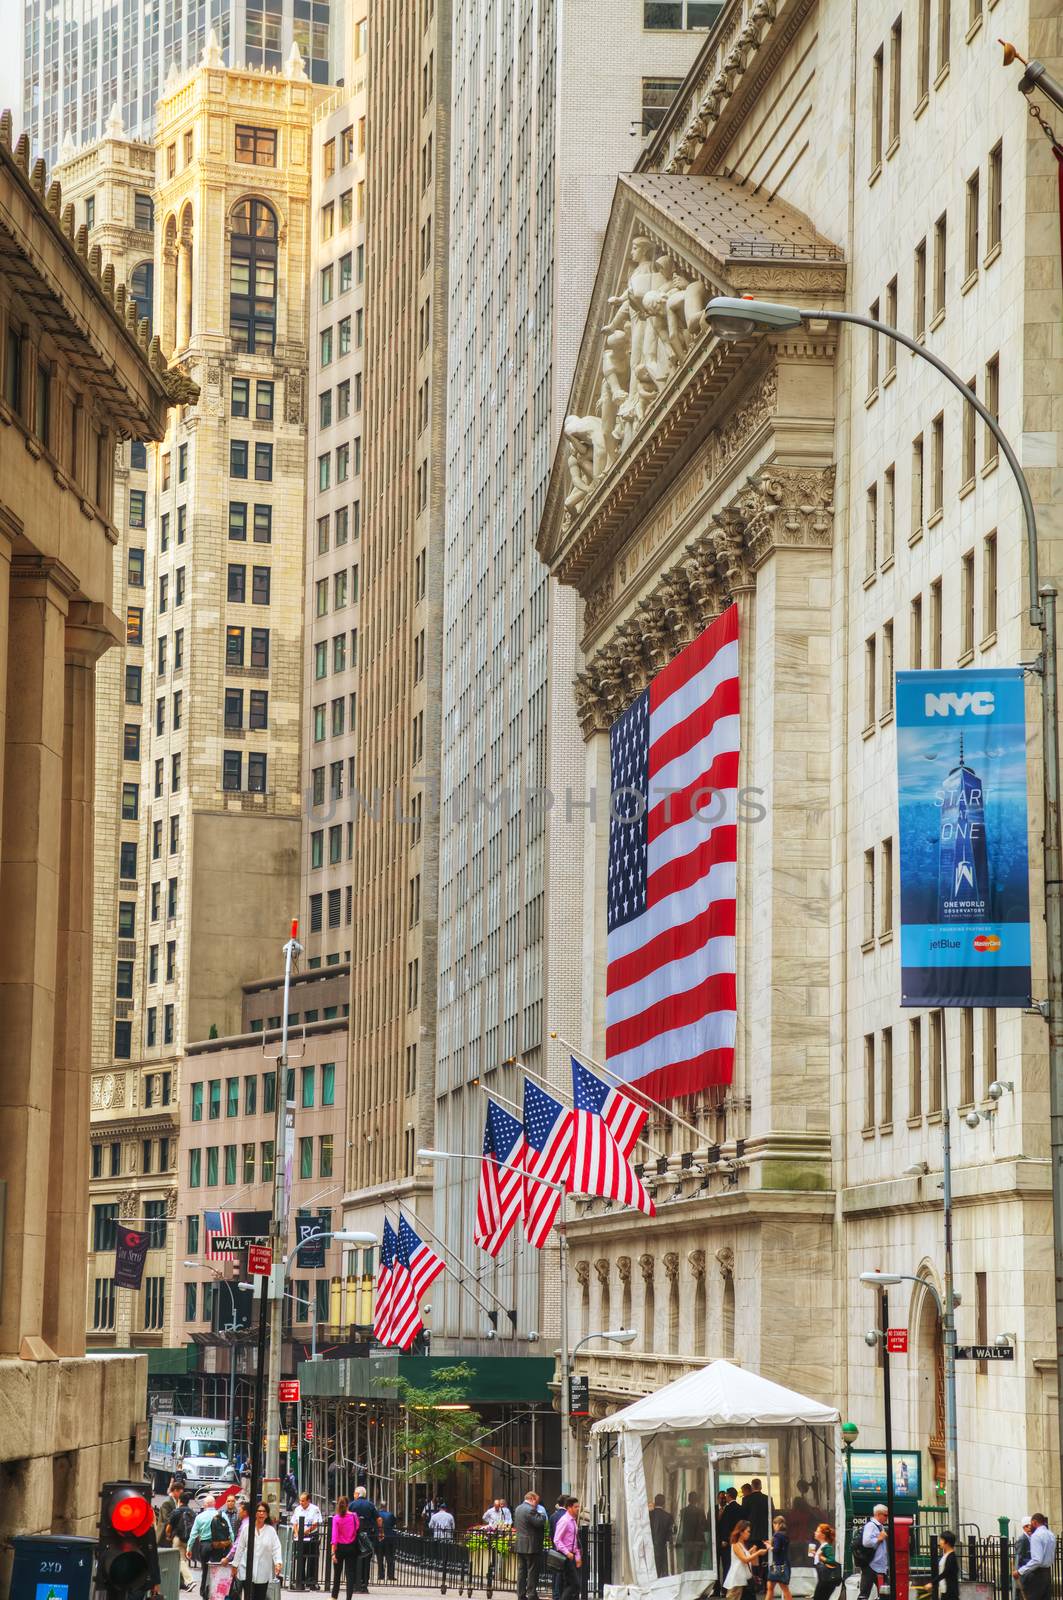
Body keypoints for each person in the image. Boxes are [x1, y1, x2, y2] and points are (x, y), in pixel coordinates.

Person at [227, 1501, 283, 1600]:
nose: (261, 1513)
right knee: (249, 1596)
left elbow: (276, 1548)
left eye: (264, 1511)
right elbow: (240, 1548)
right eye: (259, 1511)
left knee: (260, 1597)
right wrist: (235, 1565)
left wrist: (278, 1562)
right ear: (255, 1513)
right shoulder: (247, 1529)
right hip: (246, 1569)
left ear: (267, 1514)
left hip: (263, 1571)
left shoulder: (271, 1531)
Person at [193, 1502, 239, 1600]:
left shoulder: (200, 1516)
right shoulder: (223, 1515)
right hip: (219, 1546)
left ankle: (204, 1592)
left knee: (205, 1570)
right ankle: (217, 1592)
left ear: (205, 1505)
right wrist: (232, 1544)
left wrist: (189, 1548)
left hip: (205, 1545)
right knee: (217, 1569)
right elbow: (230, 1531)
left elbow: (193, 1533)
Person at [514, 1489, 548, 1600]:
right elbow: (539, 1522)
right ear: (532, 1499)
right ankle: (532, 1594)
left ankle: (521, 1594)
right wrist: (542, 1514)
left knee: (521, 1571)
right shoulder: (530, 1509)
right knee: (532, 1571)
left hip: (520, 1545)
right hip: (531, 1546)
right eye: (536, 1502)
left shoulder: (518, 1508)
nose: (537, 1504)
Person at [1015, 1512, 1057, 1600]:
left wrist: (1020, 1571)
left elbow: (1037, 1560)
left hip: (1036, 1574)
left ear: (1034, 1522)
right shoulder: (1051, 1535)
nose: (1030, 1527)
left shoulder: (1036, 1536)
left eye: (1031, 1524)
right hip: (1047, 1573)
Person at [352, 1484, 383, 1594]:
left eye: (355, 1493)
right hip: (368, 1535)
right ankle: (364, 1584)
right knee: (366, 1559)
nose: (354, 1495)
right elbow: (379, 1519)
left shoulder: (352, 1504)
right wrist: (380, 1531)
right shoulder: (370, 1505)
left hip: (354, 1535)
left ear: (358, 1494)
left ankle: (355, 1583)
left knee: (354, 1558)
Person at [292, 1490, 325, 1591]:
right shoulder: (297, 1509)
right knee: (300, 1559)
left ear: (308, 1501)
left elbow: (316, 1523)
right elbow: (295, 1522)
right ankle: (300, 1581)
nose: (301, 1503)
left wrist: (307, 1531)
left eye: (303, 1501)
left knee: (312, 1559)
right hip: (300, 1537)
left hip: (311, 1536)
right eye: (300, 1501)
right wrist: (297, 1532)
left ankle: (311, 1581)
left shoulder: (314, 1509)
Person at [723, 1521, 764, 1600]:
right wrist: (758, 1552)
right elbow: (744, 1560)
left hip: (745, 1581)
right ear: (741, 1532)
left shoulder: (742, 1545)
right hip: (738, 1582)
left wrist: (751, 1552)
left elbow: (746, 1559)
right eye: (748, 1531)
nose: (749, 1533)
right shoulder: (735, 1544)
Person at [553, 1495, 582, 1600]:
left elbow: (574, 1541)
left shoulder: (573, 1521)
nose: (578, 1509)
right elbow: (557, 1539)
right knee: (574, 1584)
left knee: (570, 1584)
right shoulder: (564, 1520)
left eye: (578, 1507)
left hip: (572, 1556)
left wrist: (577, 1557)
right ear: (569, 1508)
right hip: (566, 1556)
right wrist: (567, 1553)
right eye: (576, 1507)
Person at [858, 1506, 890, 1599]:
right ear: (878, 1514)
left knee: (885, 1594)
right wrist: (878, 1539)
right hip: (871, 1565)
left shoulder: (880, 1526)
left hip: (879, 1567)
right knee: (864, 1594)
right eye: (885, 1515)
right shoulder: (871, 1525)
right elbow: (866, 1542)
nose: (887, 1517)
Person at [331, 1495, 360, 1600]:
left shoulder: (336, 1518)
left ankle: (334, 1596)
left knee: (337, 1574)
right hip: (352, 1547)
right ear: (348, 1505)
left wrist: (333, 1552)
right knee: (350, 1574)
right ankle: (349, 1598)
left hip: (340, 1548)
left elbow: (334, 1537)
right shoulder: (354, 1516)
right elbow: (357, 1528)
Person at [169, 1490, 197, 1592]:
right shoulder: (192, 1512)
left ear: (179, 1500)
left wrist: (168, 1536)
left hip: (178, 1538)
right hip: (188, 1539)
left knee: (180, 1560)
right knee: (184, 1560)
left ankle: (190, 1581)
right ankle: (182, 1583)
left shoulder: (176, 1511)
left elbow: (169, 1527)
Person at [680, 1489, 709, 1573]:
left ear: (688, 1500)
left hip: (687, 1541)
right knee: (697, 1565)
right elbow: (705, 1526)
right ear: (696, 1500)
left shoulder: (683, 1511)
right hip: (698, 1541)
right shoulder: (700, 1511)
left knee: (687, 1564)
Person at [811, 1524, 842, 1600]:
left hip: (826, 1581)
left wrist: (820, 1557)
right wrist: (816, 1555)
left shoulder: (827, 1547)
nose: (815, 1532)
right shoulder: (823, 1546)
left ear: (823, 1535)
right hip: (823, 1580)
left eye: (817, 1531)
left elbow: (832, 1560)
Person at [765, 1515, 791, 1600]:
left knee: (772, 1588)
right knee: (781, 1588)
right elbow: (781, 1547)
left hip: (777, 1565)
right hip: (783, 1564)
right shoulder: (784, 1535)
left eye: (774, 1524)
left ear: (778, 1524)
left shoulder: (777, 1535)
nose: (774, 1527)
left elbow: (776, 1549)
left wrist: (769, 1546)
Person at [650, 1494, 675, 1579]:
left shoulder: (649, 1515)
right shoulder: (668, 1516)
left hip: (650, 1548)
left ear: (655, 1502)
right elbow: (670, 1534)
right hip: (663, 1548)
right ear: (664, 1503)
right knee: (662, 1572)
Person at [933, 1532, 959, 1600]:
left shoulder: (951, 1557)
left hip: (950, 1592)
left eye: (941, 1540)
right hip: (944, 1590)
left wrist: (933, 1583)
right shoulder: (946, 1555)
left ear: (947, 1542)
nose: (939, 1542)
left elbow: (946, 1573)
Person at [377, 1501, 398, 1582]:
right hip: (389, 1538)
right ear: (386, 1506)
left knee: (380, 1557)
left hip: (380, 1538)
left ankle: (381, 1575)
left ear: (380, 1506)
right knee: (390, 1557)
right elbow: (393, 1524)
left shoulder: (377, 1514)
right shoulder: (390, 1514)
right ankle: (390, 1575)